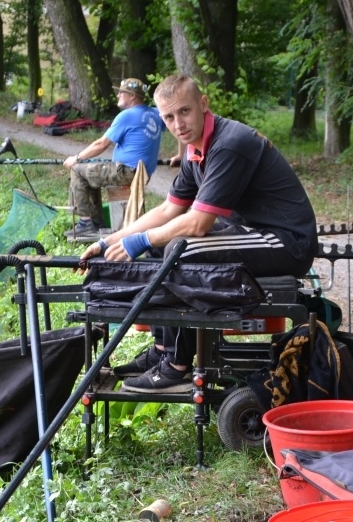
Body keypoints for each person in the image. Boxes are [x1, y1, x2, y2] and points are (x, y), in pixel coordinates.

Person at [79, 74, 319, 393]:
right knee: (160, 243)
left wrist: (141, 240)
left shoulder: (229, 143)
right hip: (249, 231)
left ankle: (177, 364)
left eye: (184, 112)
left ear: (202, 105)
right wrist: (108, 241)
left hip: (286, 241)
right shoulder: (195, 150)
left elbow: (197, 224)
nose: (178, 123)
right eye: (168, 117)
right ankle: (163, 349)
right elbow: (168, 211)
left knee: (182, 249)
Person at [63, 78, 172, 237]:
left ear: (133, 96)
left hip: (126, 171)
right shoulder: (155, 113)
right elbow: (177, 123)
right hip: (141, 172)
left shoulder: (127, 116)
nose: (118, 95)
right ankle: (96, 222)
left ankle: (86, 223)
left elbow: (101, 144)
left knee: (78, 170)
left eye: (122, 92)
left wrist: (77, 157)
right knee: (90, 172)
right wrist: (181, 154)